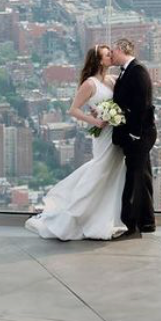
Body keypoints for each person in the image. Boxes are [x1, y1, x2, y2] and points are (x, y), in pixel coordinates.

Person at [25, 44, 127, 242]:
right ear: (98, 61)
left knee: (113, 172)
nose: (110, 56)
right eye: (107, 55)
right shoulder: (90, 84)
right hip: (103, 134)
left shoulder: (113, 80)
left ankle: (107, 217)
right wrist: (96, 121)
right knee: (100, 171)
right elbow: (73, 109)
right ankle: (74, 213)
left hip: (116, 133)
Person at [108, 36, 158, 238]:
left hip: (140, 135)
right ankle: (147, 223)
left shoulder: (137, 71)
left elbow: (143, 106)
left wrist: (134, 134)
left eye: (113, 51)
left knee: (134, 179)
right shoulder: (126, 71)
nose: (111, 55)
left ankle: (132, 225)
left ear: (121, 50)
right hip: (137, 134)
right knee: (142, 177)